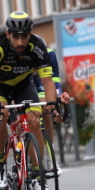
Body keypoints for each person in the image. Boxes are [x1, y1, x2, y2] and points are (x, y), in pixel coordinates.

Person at [0, 11, 59, 190]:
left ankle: (37, 174)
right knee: (0, 117)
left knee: (35, 121)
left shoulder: (38, 46)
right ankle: (0, 164)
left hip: (23, 85)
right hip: (0, 87)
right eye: (15, 37)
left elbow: (48, 82)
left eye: (24, 37)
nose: (20, 43)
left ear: (30, 33)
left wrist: (53, 105)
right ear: (7, 34)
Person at [32, 46, 70, 174]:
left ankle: (50, 156)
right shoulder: (24, 53)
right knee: (29, 113)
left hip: (42, 79)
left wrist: (58, 99)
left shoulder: (50, 55)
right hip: (27, 79)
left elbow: (55, 81)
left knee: (46, 108)